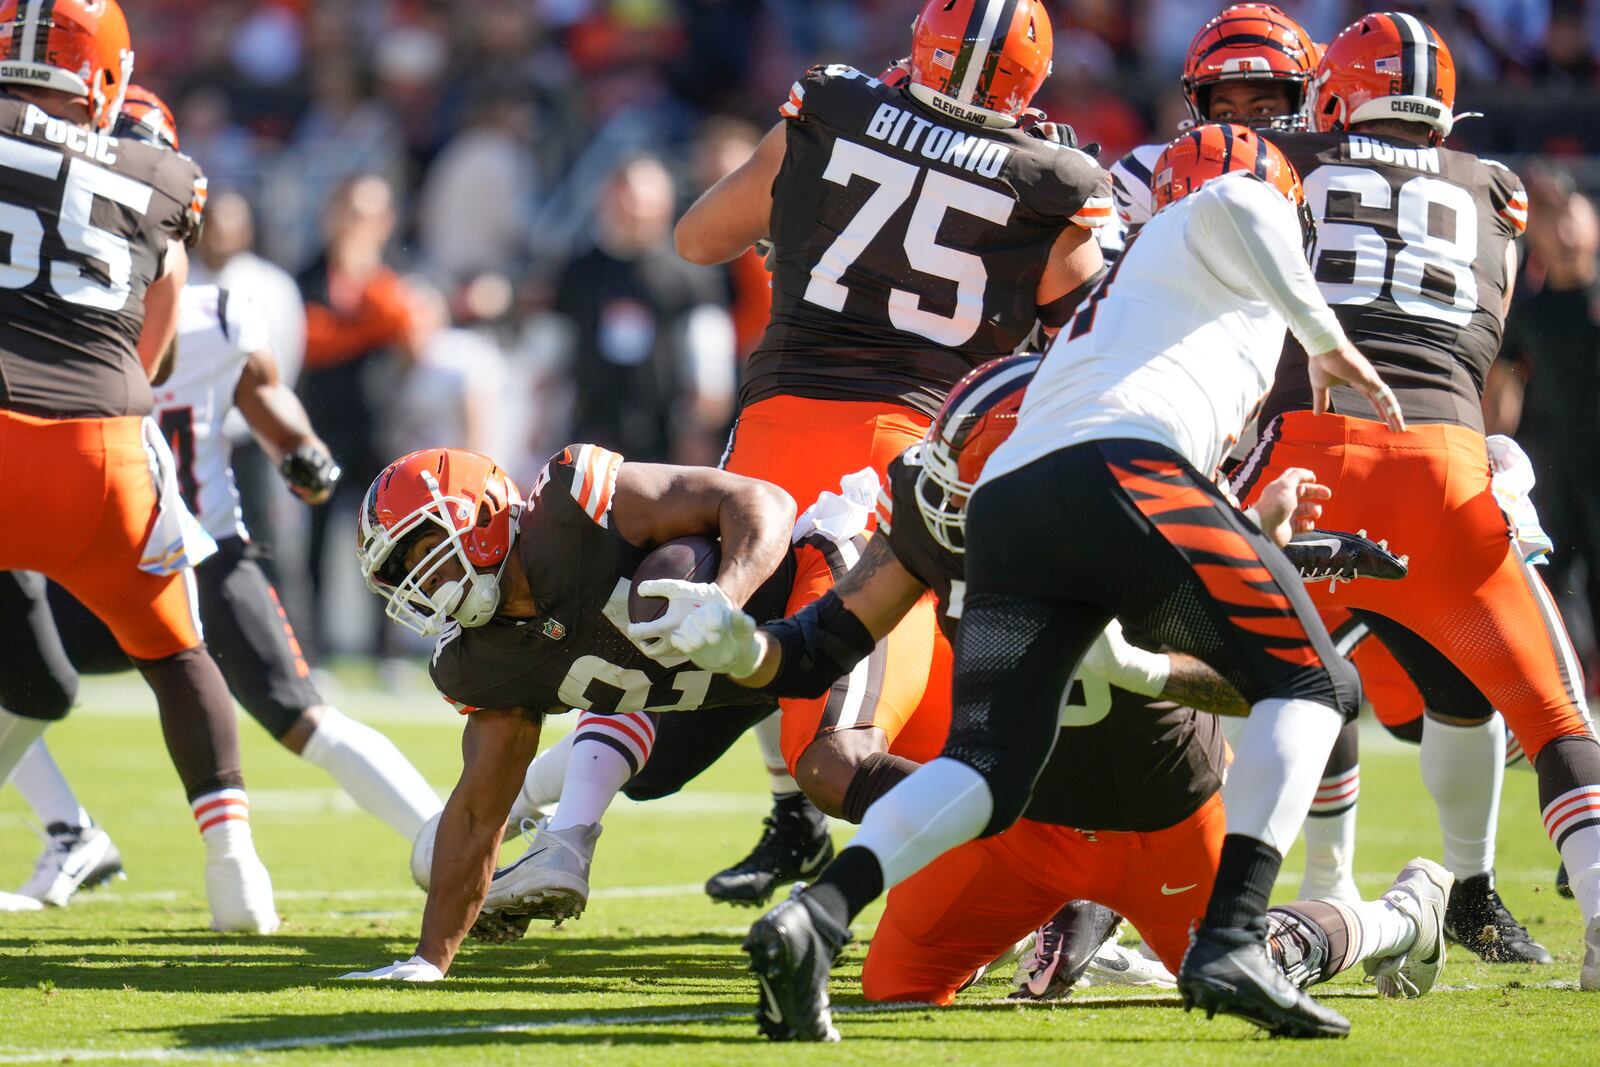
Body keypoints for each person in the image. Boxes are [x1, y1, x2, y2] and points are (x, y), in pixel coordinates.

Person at [721, 123, 1407, 1040]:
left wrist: (1254, 533)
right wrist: (1324, 338)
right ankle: (1236, 934)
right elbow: (1236, 200)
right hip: (1122, 468)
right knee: (1317, 681)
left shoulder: (1138, 300)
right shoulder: (1213, 223)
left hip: (1019, 506)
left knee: (988, 768)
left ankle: (819, 915)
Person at [669, 356, 1448, 1019]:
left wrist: (1145, 667)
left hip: (1165, 820)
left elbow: (1273, 684)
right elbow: (820, 648)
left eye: (979, 484)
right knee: (892, 987)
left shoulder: (1150, 529)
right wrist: (749, 647)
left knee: (1252, 971)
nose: (950, 502)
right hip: (1015, 828)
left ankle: (1399, 917)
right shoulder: (938, 518)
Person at [676, 0, 1111, 909]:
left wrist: (803, 226)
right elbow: (1087, 346)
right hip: (911, 467)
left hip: (770, 442)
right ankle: (1062, 881)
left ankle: (569, 825)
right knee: (915, 719)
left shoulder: (836, 104)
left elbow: (696, 237)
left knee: (724, 673)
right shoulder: (1055, 176)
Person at [1232, 13, 1600, 989]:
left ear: (1340, 96)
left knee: (1227, 676)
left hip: (1300, 456)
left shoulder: (1280, 157)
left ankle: (1248, 896)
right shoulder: (1498, 190)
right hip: (1445, 453)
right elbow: (1479, 330)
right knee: (1552, 708)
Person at [338, 443, 873, 980]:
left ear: (479, 516)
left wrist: (725, 597)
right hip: (730, 683)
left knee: (834, 769)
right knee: (650, 772)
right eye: (410, 575)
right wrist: (428, 961)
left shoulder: (576, 507)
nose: (426, 585)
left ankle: (943, 853)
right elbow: (479, 814)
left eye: (426, 553)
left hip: (815, 587)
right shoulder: (481, 661)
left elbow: (762, 499)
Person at [8, 275, 443, 907]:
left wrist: (302, 449)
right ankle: (71, 832)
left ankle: (445, 841)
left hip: (199, 552)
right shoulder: (63, 311)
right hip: (107, 557)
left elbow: (268, 396)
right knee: (14, 676)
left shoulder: (216, 316)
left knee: (302, 718)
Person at [0, 9, 276, 932]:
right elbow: (152, 359)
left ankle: (70, 826)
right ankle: (237, 871)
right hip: (102, 455)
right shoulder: (161, 175)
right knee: (175, 654)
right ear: (109, 73)